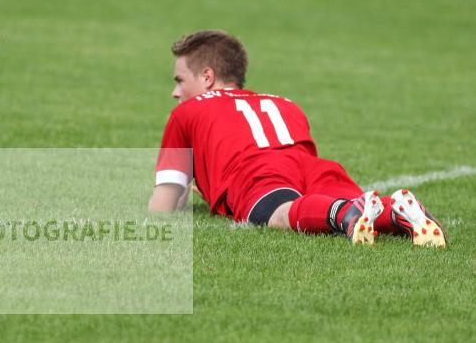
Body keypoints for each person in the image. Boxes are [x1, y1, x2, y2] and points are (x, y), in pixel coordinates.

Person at [148, 29, 446, 248]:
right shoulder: (285, 102)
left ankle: (344, 212)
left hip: (256, 173)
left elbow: (164, 204)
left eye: (180, 81)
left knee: (281, 214)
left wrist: (174, 200)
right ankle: (396, 210)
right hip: (311, 166)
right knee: (357, 204)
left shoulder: (186, 112)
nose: (175, 92)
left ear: (208, 77)